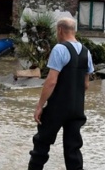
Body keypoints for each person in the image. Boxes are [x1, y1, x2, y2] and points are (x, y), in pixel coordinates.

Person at [28, 17, 94, 170]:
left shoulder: (60, 49)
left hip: (57, 108)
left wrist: (39, 106)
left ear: (59, 30)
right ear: (74, 30)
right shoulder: (86, 52)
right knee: (73, 149)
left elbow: (51, 81)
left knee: (41, 144)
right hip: (77, 109)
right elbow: (86, 84)